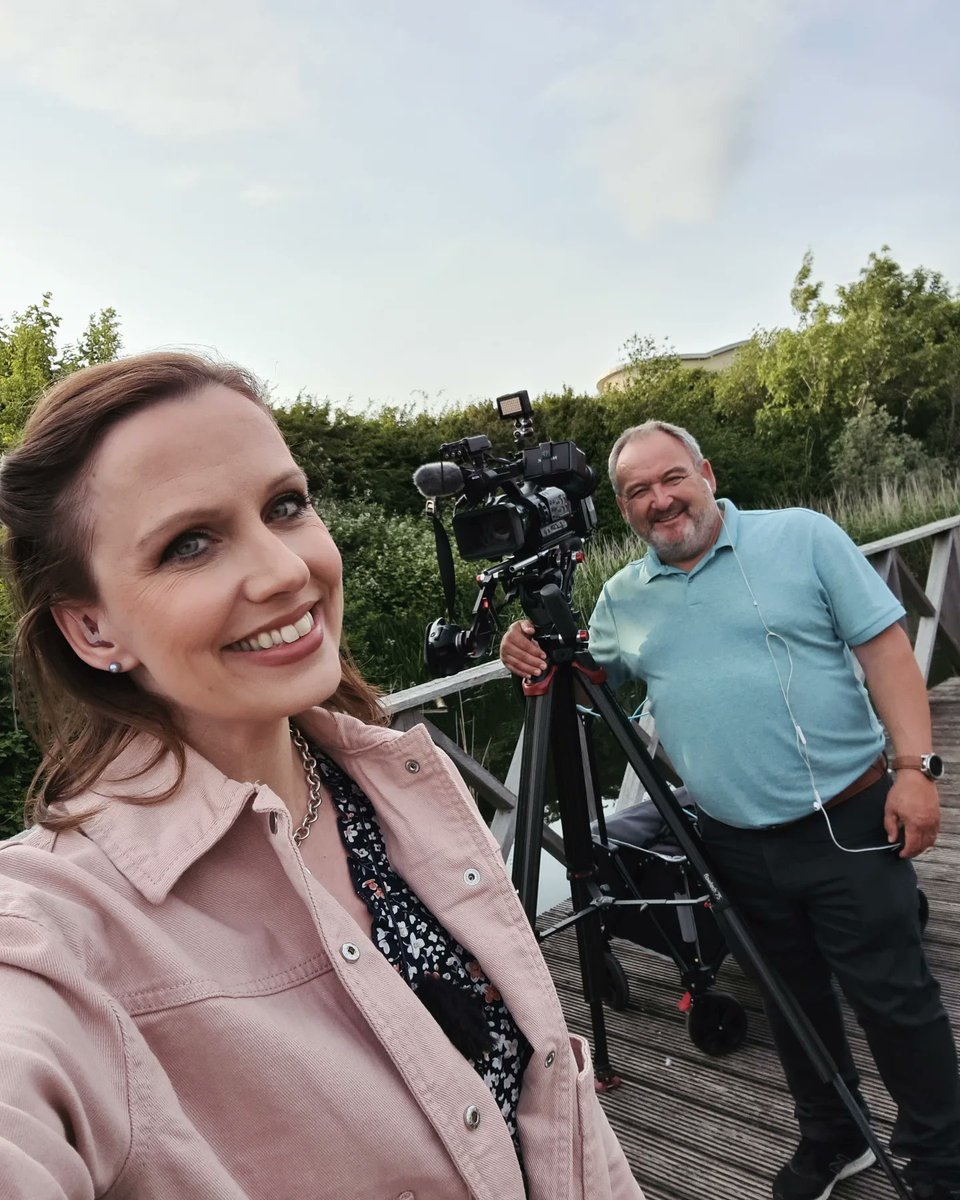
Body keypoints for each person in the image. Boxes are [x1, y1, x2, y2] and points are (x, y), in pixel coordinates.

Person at [0, 352, 644, 1200]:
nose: (284, 570)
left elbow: (561, 1115)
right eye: (189, 544)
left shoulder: (393, 781)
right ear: (91, 629)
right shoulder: (57, 932)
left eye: (286, 506)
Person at [500, 419, 960, 1200]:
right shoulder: (622, 598)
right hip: (730, 842)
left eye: (671, 477)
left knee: (896, 1000)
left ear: (706, 473)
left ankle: (944, 1162)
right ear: (621, 508)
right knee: (789, 999)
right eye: (637, 491)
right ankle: (835, 1137)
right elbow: (588, 680)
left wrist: (915, 769)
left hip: (847, 818)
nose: (660, 500)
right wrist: (532, 648)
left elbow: (886, 646)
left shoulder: (802, 538)